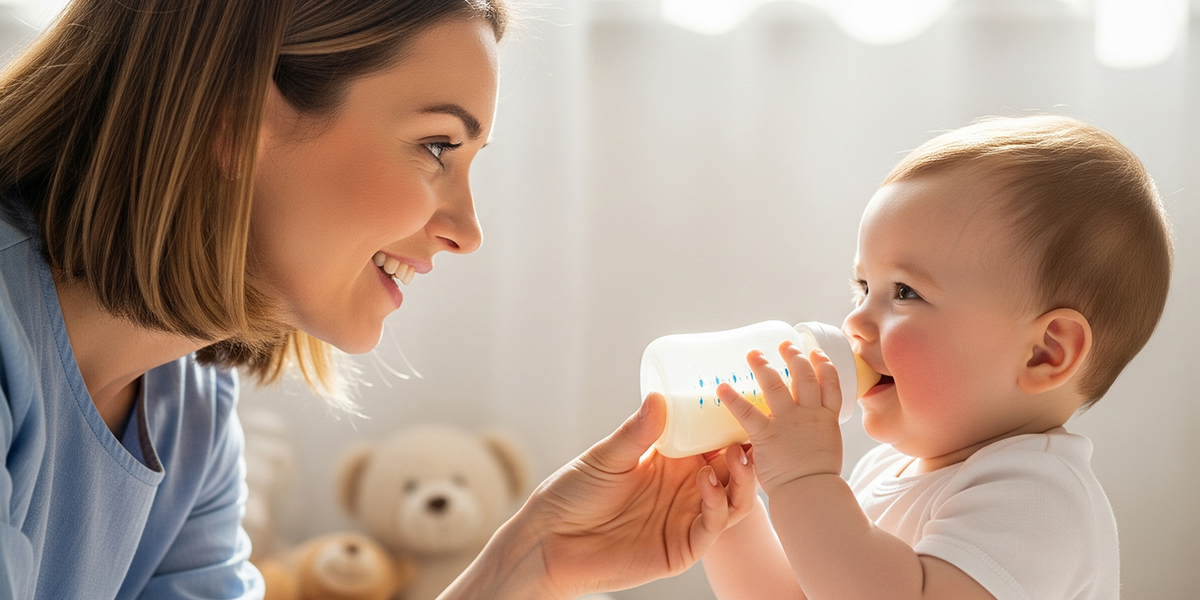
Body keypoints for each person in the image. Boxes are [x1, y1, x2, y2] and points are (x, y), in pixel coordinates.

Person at [0, 0, 757, 598]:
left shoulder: (189, 408)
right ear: (229, 117)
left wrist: (531, 564)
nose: (467, 232)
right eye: (437, 147)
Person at [701, 115, 1173, 599]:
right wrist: (733, 522)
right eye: (863, 287)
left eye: (905, 292)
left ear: (1044, 353)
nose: (854, 323)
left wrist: (804, 480)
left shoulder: (1041, 499)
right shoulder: (883, 470)